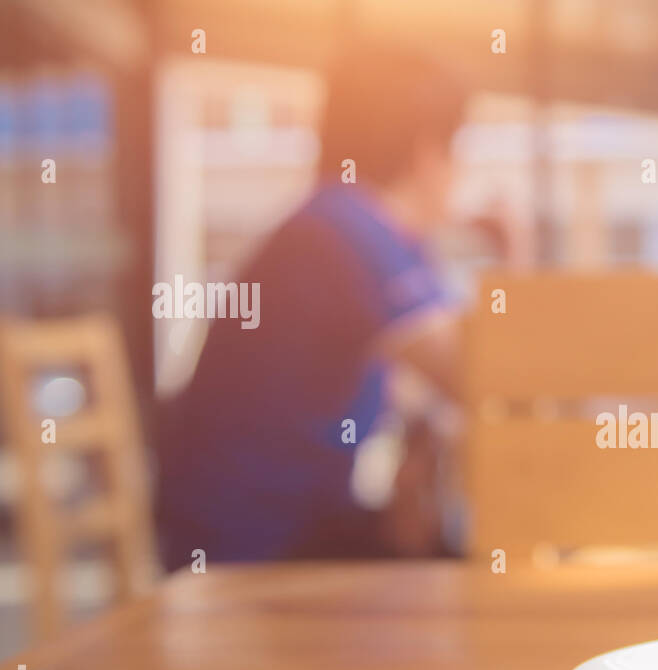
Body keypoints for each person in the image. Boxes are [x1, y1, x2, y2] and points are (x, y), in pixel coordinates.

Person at [157, 44, 465, 570]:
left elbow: (421, 386)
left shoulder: (335, 221)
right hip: (253, 550)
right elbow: (480, 375)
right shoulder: (348, 228)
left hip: (260, 525)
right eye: (459, 150)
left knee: (437, 551)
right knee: (456, 574)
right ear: (427, 151)